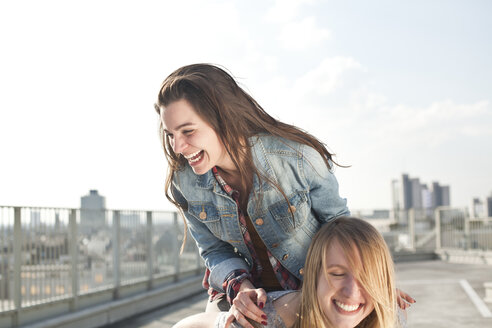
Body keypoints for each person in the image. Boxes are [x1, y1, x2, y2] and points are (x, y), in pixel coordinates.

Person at [154, 64, 413, 327]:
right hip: (247, 293)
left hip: (309, 289)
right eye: (171, 135)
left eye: (188, 131)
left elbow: (339, 226)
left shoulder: (297, 159)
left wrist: (368, 284)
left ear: (223, 118)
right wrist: (241, 289)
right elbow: (214, 250)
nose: (178, 147)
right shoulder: (184, 182)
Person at [172, 216, 406, 328]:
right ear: (314, 274)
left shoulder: (383, 318)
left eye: (367, 278)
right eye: (337, 273)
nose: (352, 290)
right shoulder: (268, 320)